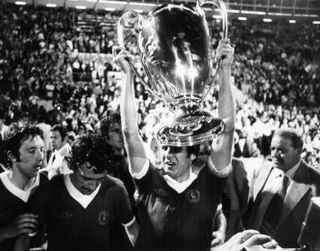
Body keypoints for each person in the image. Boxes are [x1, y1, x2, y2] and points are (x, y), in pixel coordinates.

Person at [115, 38, 235, 251]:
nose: (168, 154)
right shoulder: (149, 182)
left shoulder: (208, 185)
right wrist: (127, 76)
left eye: (177, 149)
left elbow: (225, 132)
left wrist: (224, 70)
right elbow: (129, 133)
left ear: (192, 155)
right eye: (167, 148)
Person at [23, 134, 139, 251]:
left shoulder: (116, 189)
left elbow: (131, 227)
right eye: (86, 179)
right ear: (73, 166)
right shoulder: (49, 190)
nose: (93, 186)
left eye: (100, 179)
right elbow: (25, 236)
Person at [244, 128, 320, 249]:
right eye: (273, 148)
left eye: (281, 150)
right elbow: (248, 215)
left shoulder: (316, 181)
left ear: (298, 151)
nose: (274, 155)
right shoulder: (260, 172)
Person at [0, 124, 46, 251]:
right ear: (12, 156)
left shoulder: (48, 185)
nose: (40, 157)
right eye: (32, 151)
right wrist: (5, 232)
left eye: (42, 149)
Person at [100, 111, 136, 204]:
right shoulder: (103, 164)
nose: (121, 135)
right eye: (116, 131)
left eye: (122, 130)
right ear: (105, 135)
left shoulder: (127, 157)